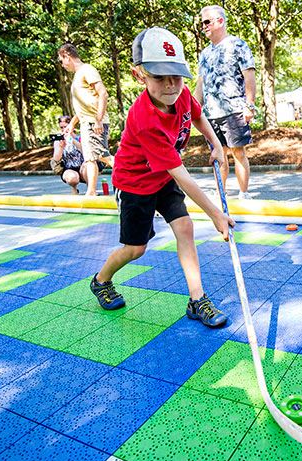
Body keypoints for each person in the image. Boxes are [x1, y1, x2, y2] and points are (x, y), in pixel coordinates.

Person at [89, 27, 233, 328]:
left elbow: (197, 114)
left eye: (176, 76)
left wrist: (217, 144)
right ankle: (101, 280)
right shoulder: (143, 118)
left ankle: (197, 300)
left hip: (162, 178)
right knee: (136, 249)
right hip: (135, 184)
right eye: (159, 77)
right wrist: (216, 214)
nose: (170, 85)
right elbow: (181, 175)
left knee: (185, 227)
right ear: (139, 75)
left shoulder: (180, 96)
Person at [195, 5, 257, 200]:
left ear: (220, 21)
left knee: (238, 153)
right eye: (202, 23)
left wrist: (250, 104)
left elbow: (249, 75)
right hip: (211, 114)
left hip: (234, 109)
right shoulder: (204, 54)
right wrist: (193, 109)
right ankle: (221, 194)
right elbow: (201, 83)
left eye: (207, 22)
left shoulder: (237, 45)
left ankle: (243, 194)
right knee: (218, 155)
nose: (203, 26)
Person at [57, 43, 114, 196]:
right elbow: (84, 106)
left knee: (102, 156)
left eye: (61, 61)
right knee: (90, 158)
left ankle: (135, 174)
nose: (62, 65)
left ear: (66, 56)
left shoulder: (87, 70)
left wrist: (98, 119)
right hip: (86, 122)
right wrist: (72, 123)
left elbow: (103, 93)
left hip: (93, 122)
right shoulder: (77, 76)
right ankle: (91, 192)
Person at [50, 115, 87, 194]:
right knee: (72, 178)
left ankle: (90, 188)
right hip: (68, 168)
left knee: (88, 167)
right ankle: (74, 189)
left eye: (65, 127)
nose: (64, 130)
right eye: (62, 127)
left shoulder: (80, 137)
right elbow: (56, 160)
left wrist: (72, 140)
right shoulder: (58, 141)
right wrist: (61, 147)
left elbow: (86, 152)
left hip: (83, 167)